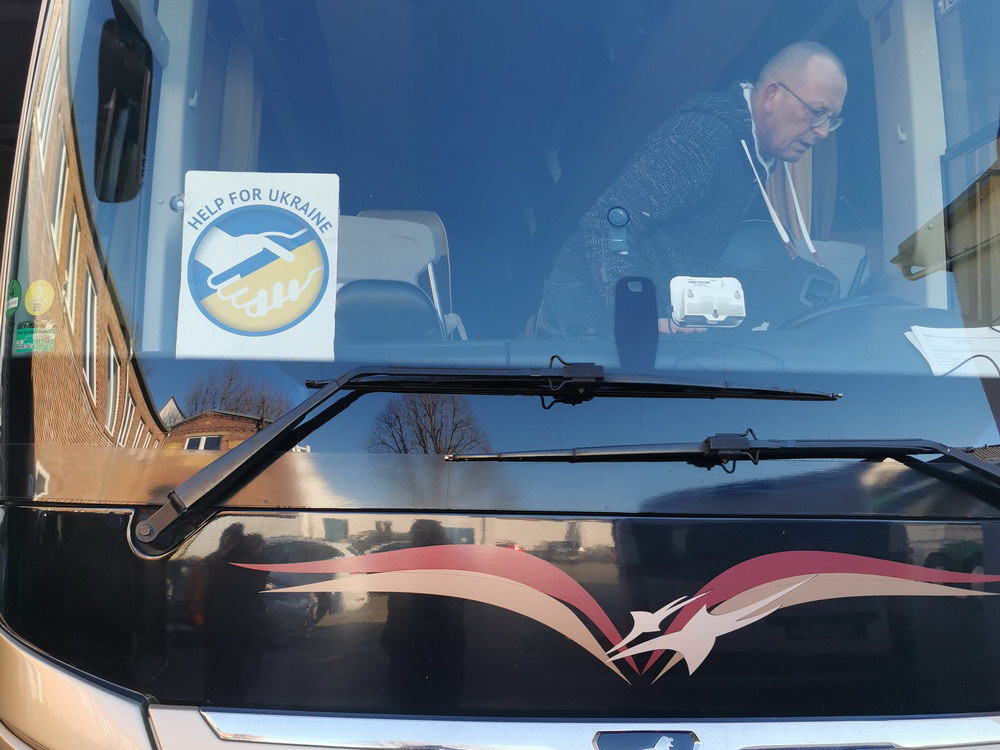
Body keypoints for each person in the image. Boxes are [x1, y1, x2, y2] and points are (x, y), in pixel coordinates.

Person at [537, 41, 847, 338]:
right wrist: (635, 311)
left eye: (831, 120)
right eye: (816, 111)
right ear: (772, 96)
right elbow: (607, 222)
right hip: (589, 306)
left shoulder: (755, 151)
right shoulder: (704, 138)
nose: (822, 131)